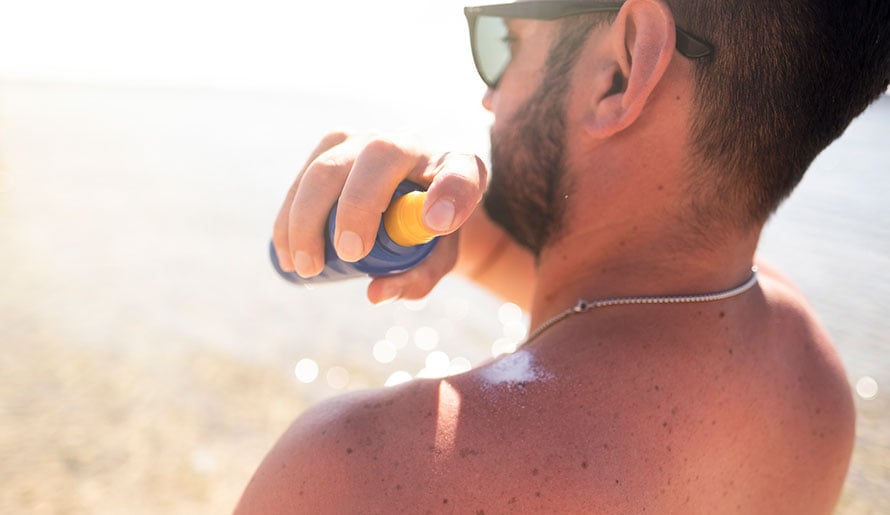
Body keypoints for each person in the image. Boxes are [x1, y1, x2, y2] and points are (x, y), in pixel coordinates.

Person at [236, 0, 890, 512]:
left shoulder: (353, 476)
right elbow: (545, 274)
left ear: (623, 70)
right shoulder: (816, 389)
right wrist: (440, 211)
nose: (488, 98)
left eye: (506, 43)